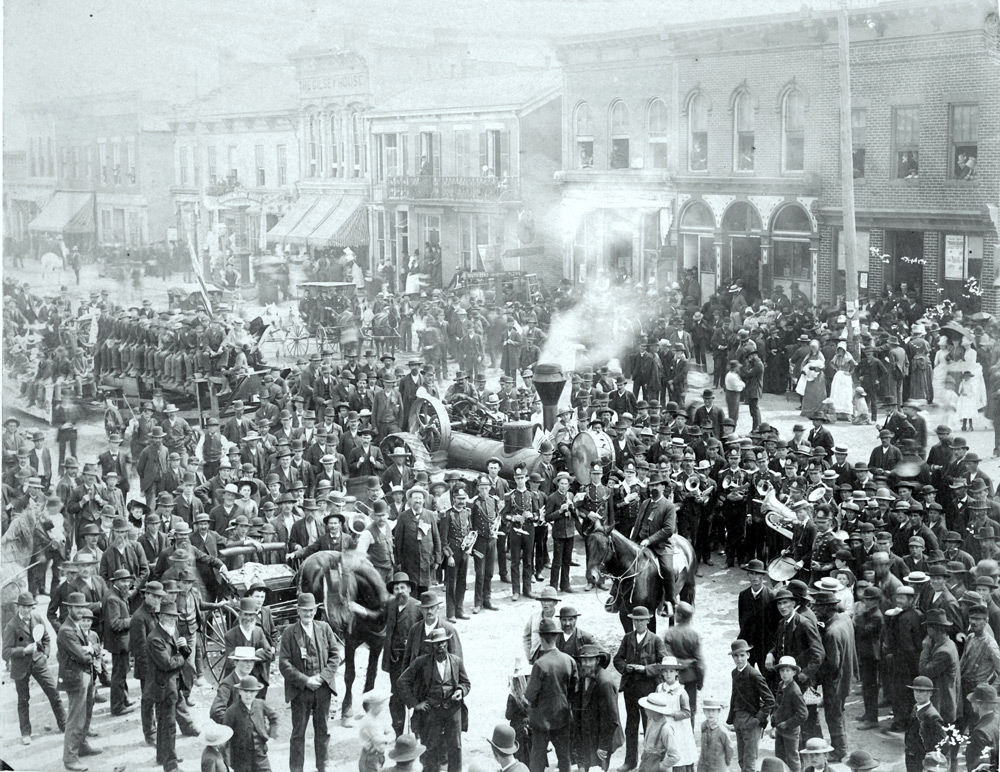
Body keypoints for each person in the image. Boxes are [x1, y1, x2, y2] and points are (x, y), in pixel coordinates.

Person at [278, 592, 340, 772]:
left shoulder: (324, 628)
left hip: (322, 688)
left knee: (323, 731)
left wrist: (322, 678)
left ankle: (323, 766)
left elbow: (335, 656)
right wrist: (305, 680)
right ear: (298, 611)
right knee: (298, 733)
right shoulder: (289, 632)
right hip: (300, 690)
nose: (308, 613)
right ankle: (296, 769)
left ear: (315, 610)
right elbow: (284, 663)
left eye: (311, 610)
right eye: (304, 610)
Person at [397, 627, 471, 772]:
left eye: (443, 643)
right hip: (432, 711)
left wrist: (460, 691)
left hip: (453, 709)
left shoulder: (456, 661)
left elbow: (466, 683)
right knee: (430, 747)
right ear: (432, 646)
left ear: (447, 643)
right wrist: (415, 704)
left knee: (455, 747)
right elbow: (402, 681)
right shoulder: (421, 662)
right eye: (437, 644)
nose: (441, 647)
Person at [3, 591, 66, 745]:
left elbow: (46, 638)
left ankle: (64, 725)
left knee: (54, 693)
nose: (26, 610)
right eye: (23, 607)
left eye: (29, 607)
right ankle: (26, 733)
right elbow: (5, 652)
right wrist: (24, 651)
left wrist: (45, 655)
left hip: (38, 663)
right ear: (18, 607)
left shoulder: (37, 618)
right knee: (23, 701)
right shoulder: (11, 626)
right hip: (20, 667)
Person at [613, 606, 667, 772]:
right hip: (630, 688)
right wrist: (626, 667)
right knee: (631, 725)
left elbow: (664, 664)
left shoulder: (656, 640)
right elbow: (617, 659)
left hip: (648, 689)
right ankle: (630, 762)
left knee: (648, 725)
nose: (638, 623)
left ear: (648, 621)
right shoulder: (628, 638)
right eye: (635, 620)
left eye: (641, 620)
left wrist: (645, 669)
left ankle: (648, 763)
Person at [524, 617, 577, 772]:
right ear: (556, 637)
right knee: (564, 757)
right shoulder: (569, 660)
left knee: (538, 759)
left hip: (541, 721)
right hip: (563, 717)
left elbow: (530, 695)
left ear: (542, 638)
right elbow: (575, 689)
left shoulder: (540, 664)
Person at [57, 593, 101, 771]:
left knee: (87, 712)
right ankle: (70, 758)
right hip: (75, 677)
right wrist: (91, 650)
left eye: (83, 607)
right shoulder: (66, 630)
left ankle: (82, 746)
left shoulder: (77, 626)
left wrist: (91, 648)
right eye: (77, 608)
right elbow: (82, 655)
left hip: (86, 675)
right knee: (76, 717)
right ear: (69, 608)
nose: (81, 611)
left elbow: (95, 647)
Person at [147, 599, 190, 772]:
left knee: (164, 724)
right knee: (168, 725)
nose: (172, 619)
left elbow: (177, 655)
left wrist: (185, 649)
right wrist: (183, 655)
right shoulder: (155, 638)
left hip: (173, 685)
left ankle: (162, 755)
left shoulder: (171, 631)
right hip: (163, 687)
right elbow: (168, 664)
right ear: (160, 616)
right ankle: (170, 765)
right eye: (168, 615)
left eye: (174, 616)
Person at [382, 572, 422, 737]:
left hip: (413, 661)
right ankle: (399, 733)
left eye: (403, 587)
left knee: (416, 694)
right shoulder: (390, 605)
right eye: (396, 588)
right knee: (397, 696)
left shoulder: (418, 607)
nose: (400, 591)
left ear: (410, 589)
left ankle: (418, 731)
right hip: (395, 661)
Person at [726, 638, 774, 772]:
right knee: (741, 759)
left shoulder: (754, 674)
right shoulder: (734, 673)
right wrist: (732, 718)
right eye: (736, 655)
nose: (739, 659)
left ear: (748, 655)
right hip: (738, 719)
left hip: (751, 720)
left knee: (750, 762)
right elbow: (734, 695)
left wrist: (757, 719)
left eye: (742, 655)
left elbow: (770, 700)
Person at [573, 644, 621, 771]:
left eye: (590, 660)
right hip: (589, 735)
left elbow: (612, 719)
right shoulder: (585, 676)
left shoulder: (604, 682)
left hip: (603, 739)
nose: (586, 664)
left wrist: (603, 746)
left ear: (598, 660)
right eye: (584, 660)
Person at [221, 675, 279, 772]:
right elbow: (225, 736)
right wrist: (226, 761)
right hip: (241, 758)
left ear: (256, 692)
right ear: (240, 691)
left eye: (251, 692)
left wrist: (272, 735)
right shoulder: (232, 711)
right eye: (245, 691)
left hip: (260, 754)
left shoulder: (260, 704)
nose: (248, 695)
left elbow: (274, 717)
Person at [654, 656, 697, 771]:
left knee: (678, 757)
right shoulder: (659, 688)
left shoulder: (681, 692)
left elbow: (687, 713)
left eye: (672, 671)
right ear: (662, 673)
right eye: (666, 671)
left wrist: (673, 713)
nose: (668, 674)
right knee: (664, 757)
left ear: (676, 672)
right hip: (664, 727)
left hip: (678, 728)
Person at [770, 655, 807, 772]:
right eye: (782, 670)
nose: (784, 673)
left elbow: (803, 713)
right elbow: (778, 704)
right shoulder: (782, 685)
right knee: (780, 756)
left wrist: (787, 723)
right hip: (780, 727)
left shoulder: (795, 691)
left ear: (794, 672)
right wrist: (774, 718)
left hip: (791, 730)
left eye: (788, 670)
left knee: (792, 758)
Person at [904, 676, 944, 772]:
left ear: (930, 693)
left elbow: (941, 743)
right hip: (911, 756)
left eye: (922, 691)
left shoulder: (932, 716)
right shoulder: (916, 707)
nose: (918, 694)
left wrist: (932, 763)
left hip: (922, 759)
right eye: (915, 691)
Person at [635, 692, 681, 772]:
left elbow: (675, 756)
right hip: (647, 762)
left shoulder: (666, 729)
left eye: (648, 708)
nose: (645, 709)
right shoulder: (651, 720)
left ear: (656, 710)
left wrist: (659, 766)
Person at [358, 690, 395, 772]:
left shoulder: (382, 717)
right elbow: (378, 742)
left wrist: (384, 739)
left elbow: (392, 734)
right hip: (370, 757)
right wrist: (386, 738)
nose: (383, 706)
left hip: (379, 756)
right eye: (380, 704)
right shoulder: (368, 721)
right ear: (371, 705)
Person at [964, 684, 998, 771]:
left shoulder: (979, 732)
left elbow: (978, 767)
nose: (971, 704)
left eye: (973, 701)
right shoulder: (997, 720)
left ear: (979, 703)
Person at [697, 699, 733, 772]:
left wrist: (726, 764)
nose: (710, 714)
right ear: (704, 711)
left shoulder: (722, 730)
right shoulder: (703, 726)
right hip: (703, 766)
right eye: (707, 710)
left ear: (719, 711)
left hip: (718, 767)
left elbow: (729, 748)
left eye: (713, 710)